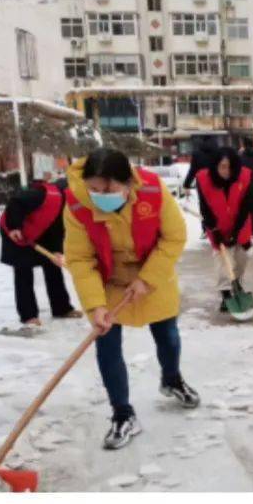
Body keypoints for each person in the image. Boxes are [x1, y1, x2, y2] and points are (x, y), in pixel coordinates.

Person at [63, 147, 199, 451]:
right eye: (94, 189)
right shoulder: (76, 204)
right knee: (107, 343)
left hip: (153, 274)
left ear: (128, 182)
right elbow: (80, 259)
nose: (100, 195)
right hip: (108, 281)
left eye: (109, 189)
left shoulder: (152, 189)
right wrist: (95, 304)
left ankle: (172, 379)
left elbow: (174, 237)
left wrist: (147, 278)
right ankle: (122, 413)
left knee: (168, 336)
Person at [0, 174, 81, 329]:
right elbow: (16, 202)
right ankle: (28, 315)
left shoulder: (67, 204)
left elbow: (58, 227)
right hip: (16, 231)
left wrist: (57, 250)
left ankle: (61, 308)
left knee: (53, 267)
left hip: (42, 231)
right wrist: (15, 226)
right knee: (23, 271)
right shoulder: (43, 195)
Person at [195, 146, 253, 313]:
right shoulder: (203, 180)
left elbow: (247, 205)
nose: (226, 171)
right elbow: (204, 208)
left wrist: (236, 232)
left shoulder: (245, 176)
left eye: (230, 166)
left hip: (240, 224)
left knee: (242, 256)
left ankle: (236, 284)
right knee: (223, 260)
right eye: (222, 166)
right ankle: (226, 294)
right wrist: (215, 231)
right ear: (215, 166)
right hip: (217, 225)